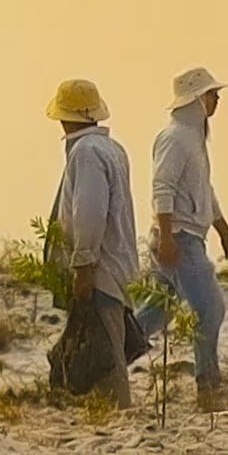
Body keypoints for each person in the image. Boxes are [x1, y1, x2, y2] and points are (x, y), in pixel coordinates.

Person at [46, 79, 163, 395]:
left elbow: (90, 211)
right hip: (115, 266)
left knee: (105, 358)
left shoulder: (85, 152)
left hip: (101, 270)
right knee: (102, 349)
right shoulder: (110, 148)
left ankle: (114, 413)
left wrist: (83, 266)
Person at [150, 67, 228, 409]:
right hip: (179, 237)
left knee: (155, 313)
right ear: (196, 99)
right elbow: (162, 188)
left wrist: (224, 232)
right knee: (210, 310)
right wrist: (166, 238)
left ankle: (106, 365)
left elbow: (203, 191)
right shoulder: (176, 138)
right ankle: (208, 386)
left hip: (183, 235)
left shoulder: (193, 139)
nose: (217, 99)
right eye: (211, 94)